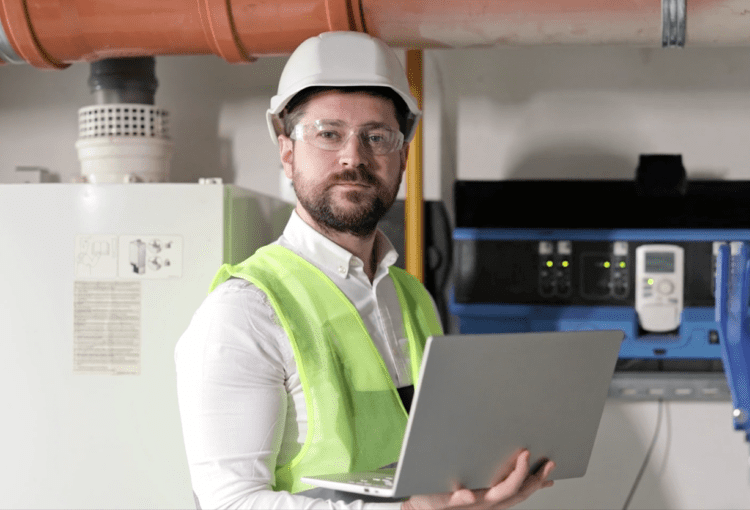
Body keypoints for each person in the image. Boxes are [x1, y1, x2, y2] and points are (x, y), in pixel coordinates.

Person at [175, 32, 555, 510]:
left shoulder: (411, 296)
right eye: (328, 134)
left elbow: (426, 469)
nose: (354, 156)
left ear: (402, 157)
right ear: (288, 152)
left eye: (377, 137)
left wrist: (481, 491)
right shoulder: (243, 313)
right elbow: (231, 504)